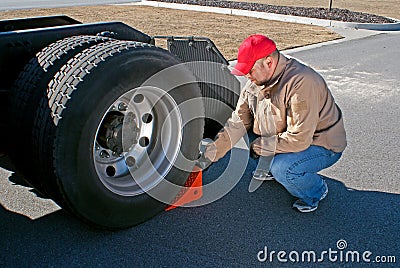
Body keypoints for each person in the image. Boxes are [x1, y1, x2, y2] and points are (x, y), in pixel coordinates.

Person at [201, 34, 347, 212]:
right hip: (285, 136)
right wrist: (210, 155)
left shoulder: (301, 83)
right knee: (242, 136)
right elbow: (237, 123)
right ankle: (273, 163)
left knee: (284, 169)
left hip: (322, 143)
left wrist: (259, 147)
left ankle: (315, 190)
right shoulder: (255, 83)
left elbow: (300, 138)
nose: (247, 76)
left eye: (250, 70)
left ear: (269, 62)